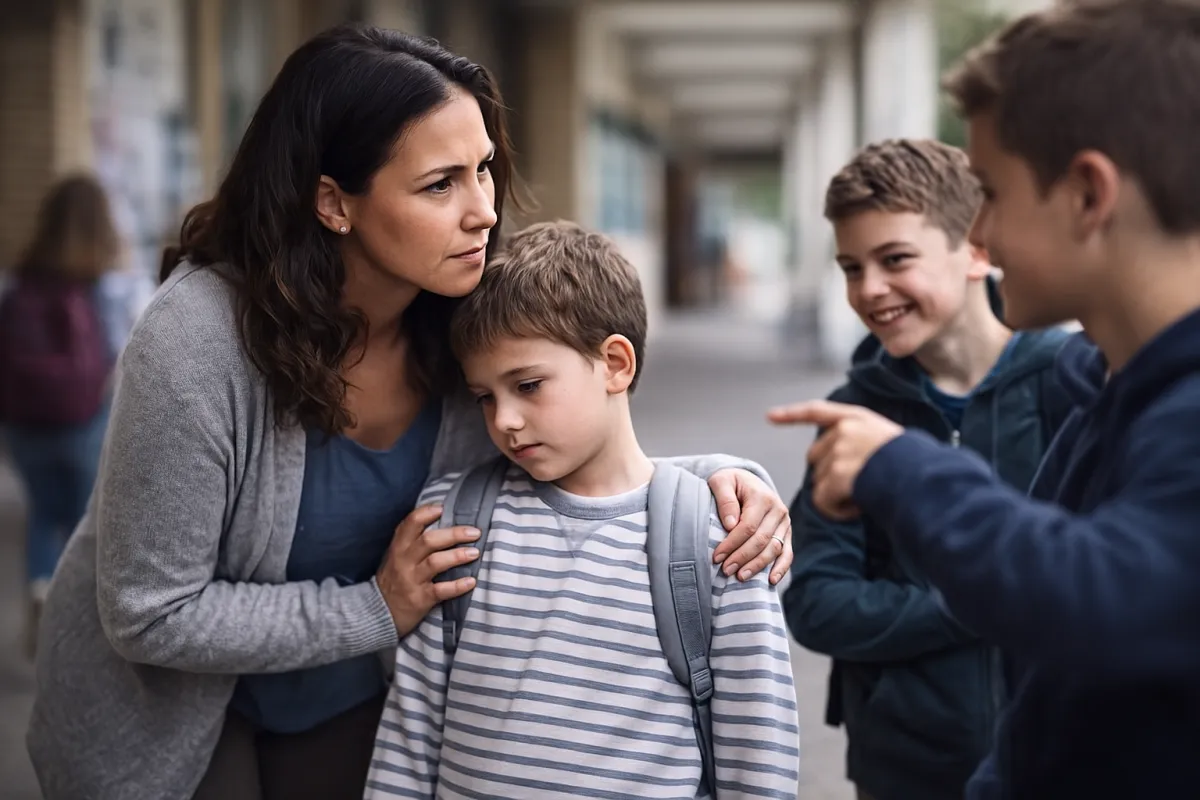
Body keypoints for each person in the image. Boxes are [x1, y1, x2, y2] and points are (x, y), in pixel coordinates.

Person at [25, 24, 793, 800]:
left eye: (484, 170)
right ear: (334, 203)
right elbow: (149, 612)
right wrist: (375, 607)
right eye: (440, 185)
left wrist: (714, 479)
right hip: (171, 723)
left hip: (362, 703)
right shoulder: (195, 340)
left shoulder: (471, 307)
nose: (484, 213)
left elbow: (580, 421)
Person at [770, 1, 1200, 796]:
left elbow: (1107, 600)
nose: (986, 236)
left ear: (1087, 195)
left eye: (993, 195)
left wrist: (903, 469)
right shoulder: (1109, 393)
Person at [365, 220, 800, 800]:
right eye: (484, 398)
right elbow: (411, 733)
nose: (504, 421)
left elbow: (760, 758)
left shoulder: (722, 535)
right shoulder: (456, 518)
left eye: (528, 385)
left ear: (616, 364)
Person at [781, 139, 1070, 800]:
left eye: (895, 260)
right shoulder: (852, 414)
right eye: (852, 267)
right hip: (906, 765)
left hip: (1066, 754)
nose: (869, 289)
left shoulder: (1070, 382)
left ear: (976, 248)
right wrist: (986, 598)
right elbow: (817, 601)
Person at [0, 174, 149, 655]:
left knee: (42, 514)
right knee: (86, 523)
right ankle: (76, 621)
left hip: (23, 424)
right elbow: (125, 348)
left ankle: (41, 590)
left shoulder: (21, 278)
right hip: (82, 420)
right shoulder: (104, 282)